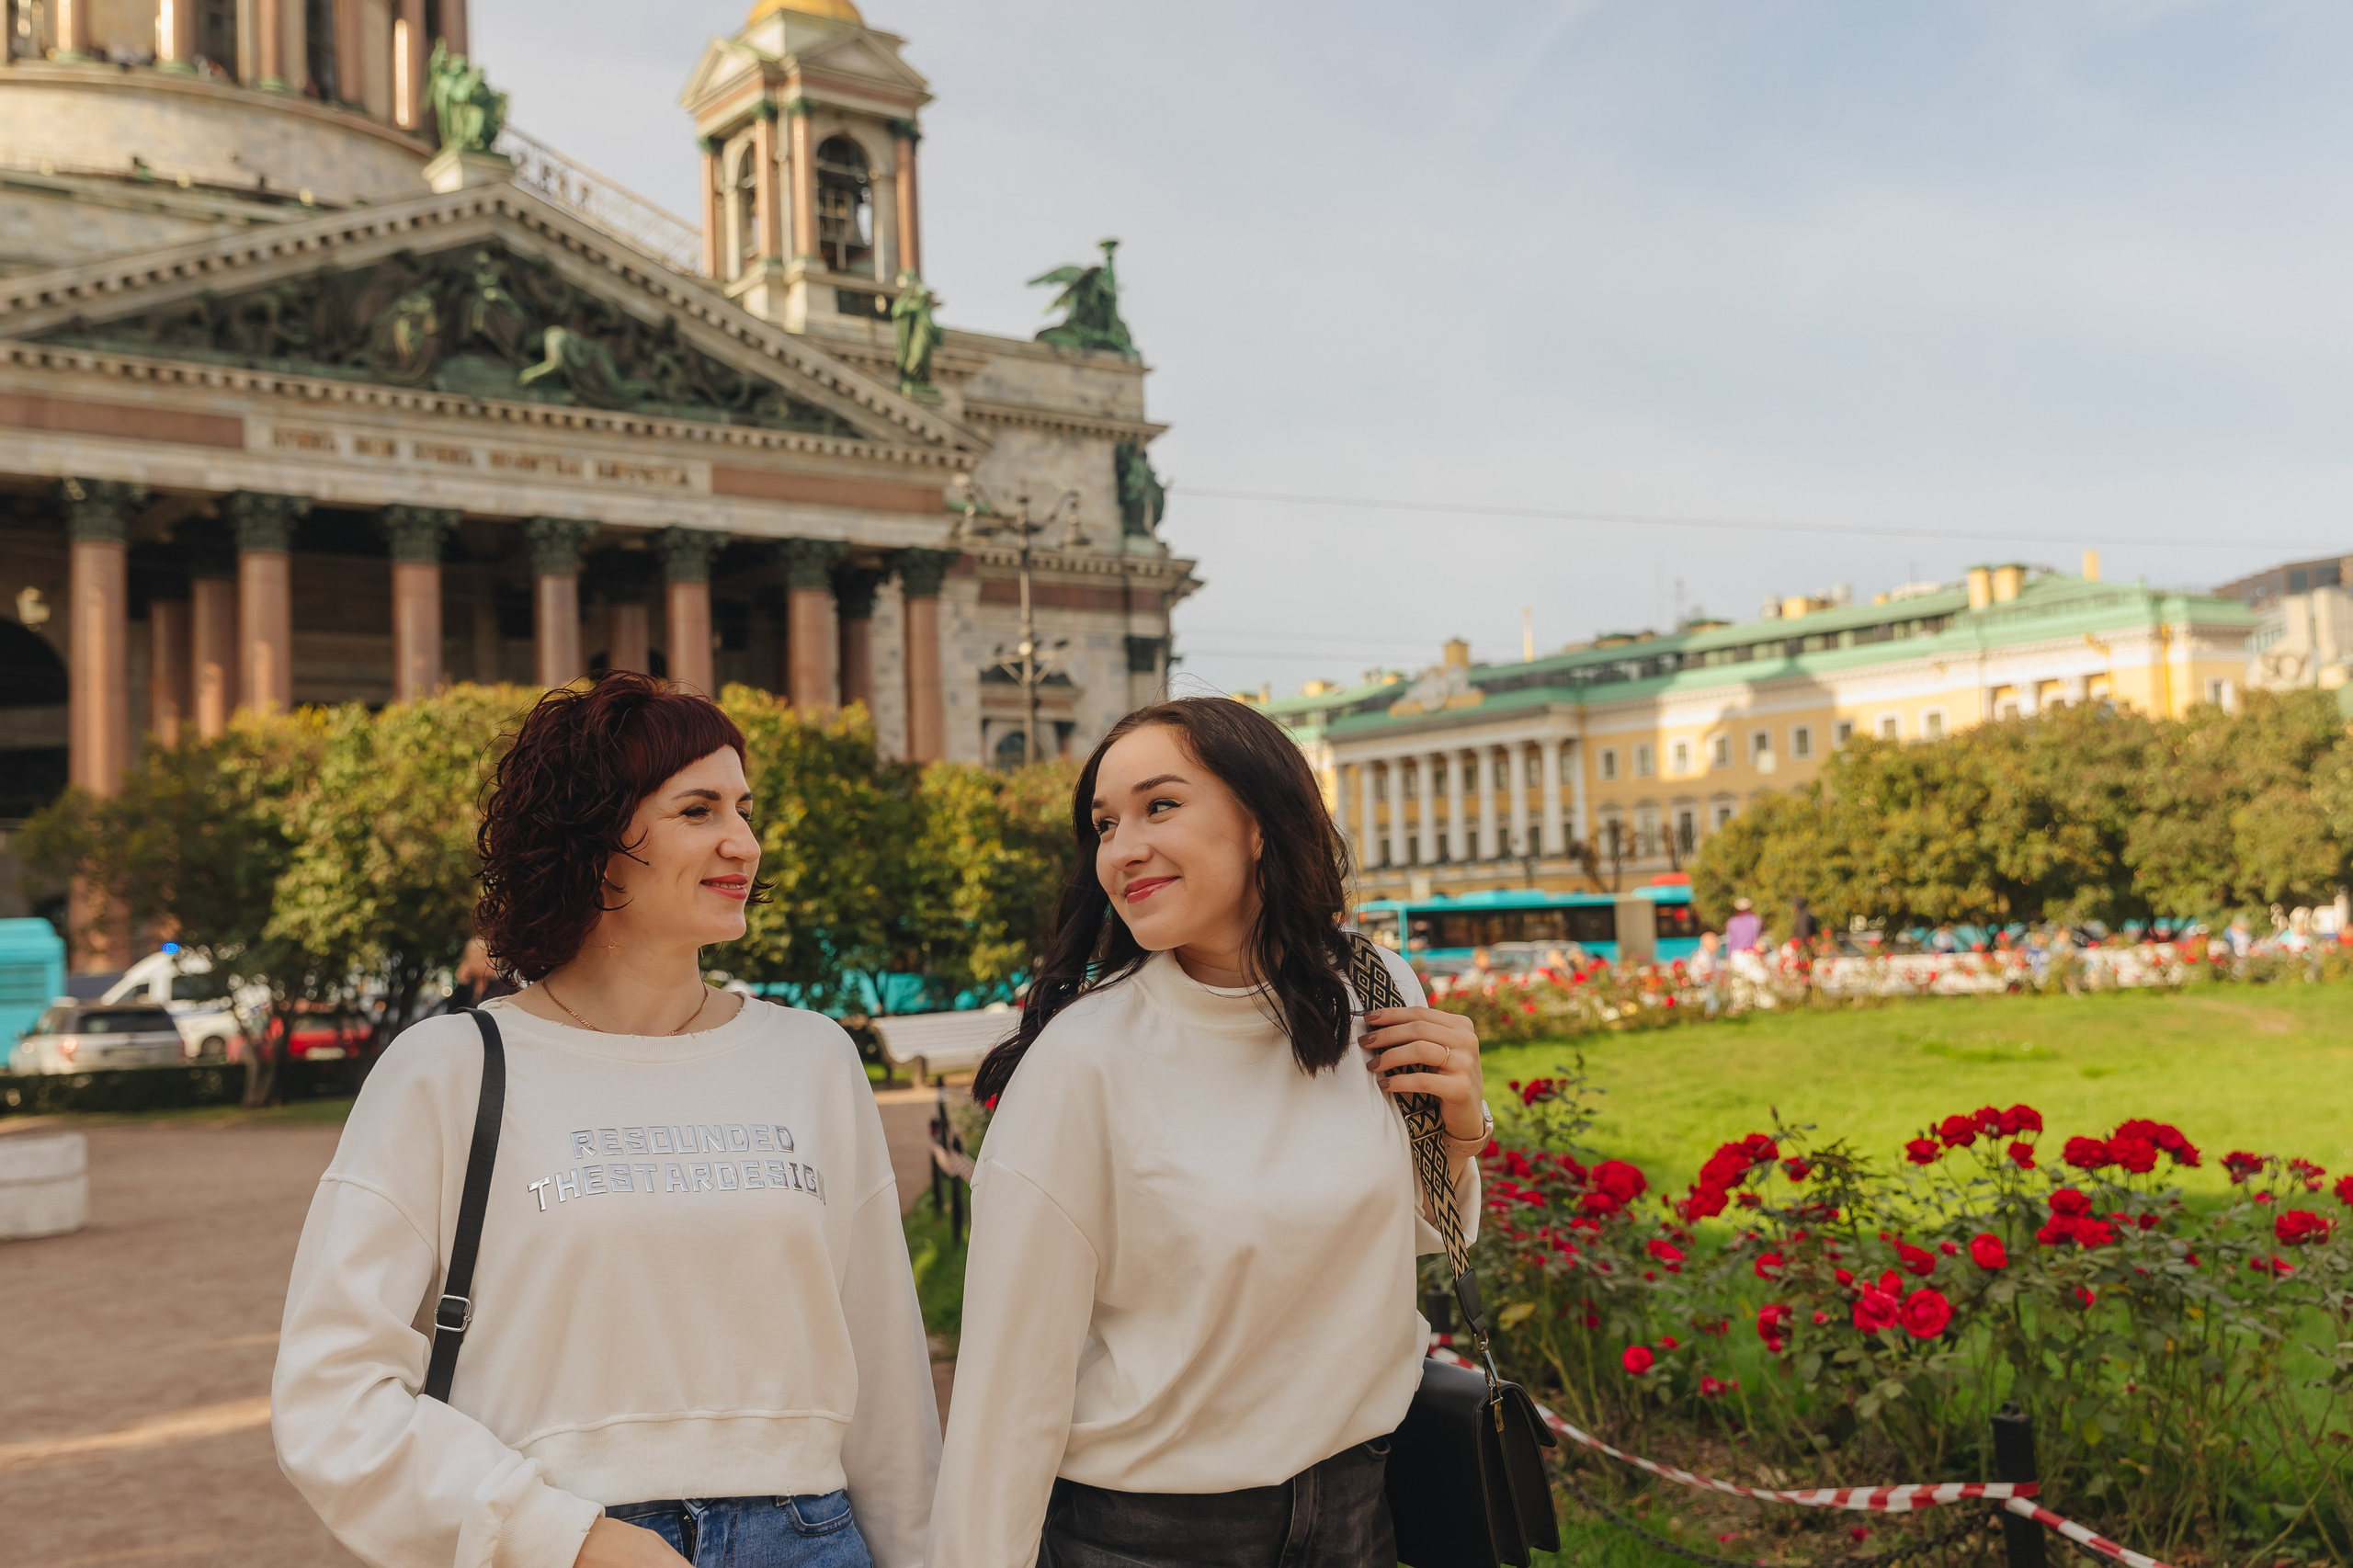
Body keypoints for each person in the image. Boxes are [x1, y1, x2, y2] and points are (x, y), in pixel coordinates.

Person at [272, 672, 938, 1568]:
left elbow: (887, 1373)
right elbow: (330, 1391)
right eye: (697, 809)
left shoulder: (810, 1057)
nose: (742, 841)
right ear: (592, 838)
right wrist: (568, 1539)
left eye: (744, 808)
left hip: (809, 1537)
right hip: (556, 1538)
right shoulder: (451, 1067)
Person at [928, 697, 1488, 1568]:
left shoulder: (1377, 990)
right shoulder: (1084, 1062)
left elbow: (1409, 1236)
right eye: (1105, 824)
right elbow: (1010, 1390)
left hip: (1358, 1516)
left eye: (1160, 806)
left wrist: (1457, 1130)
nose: (1123, 848)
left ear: (1261, 823)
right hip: (1149, 1535)